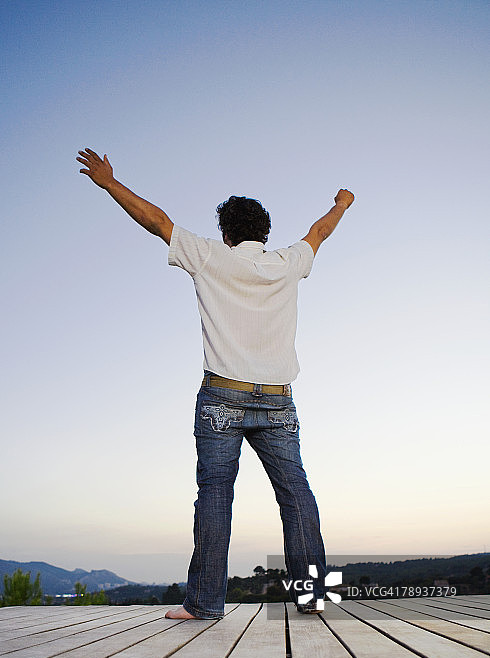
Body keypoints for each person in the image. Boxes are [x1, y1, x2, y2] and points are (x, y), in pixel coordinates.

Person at [76, 147, 354, 619]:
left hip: (221, 397)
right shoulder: (288, 262)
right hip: (279, 402)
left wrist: (109, 183)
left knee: (215, 496)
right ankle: (315, 597)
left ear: (226, 234)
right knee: (296, 495)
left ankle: (204, 603)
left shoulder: (209, 256)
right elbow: (319, 232)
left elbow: (156, 221)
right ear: (263, 233)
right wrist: (342, 204)